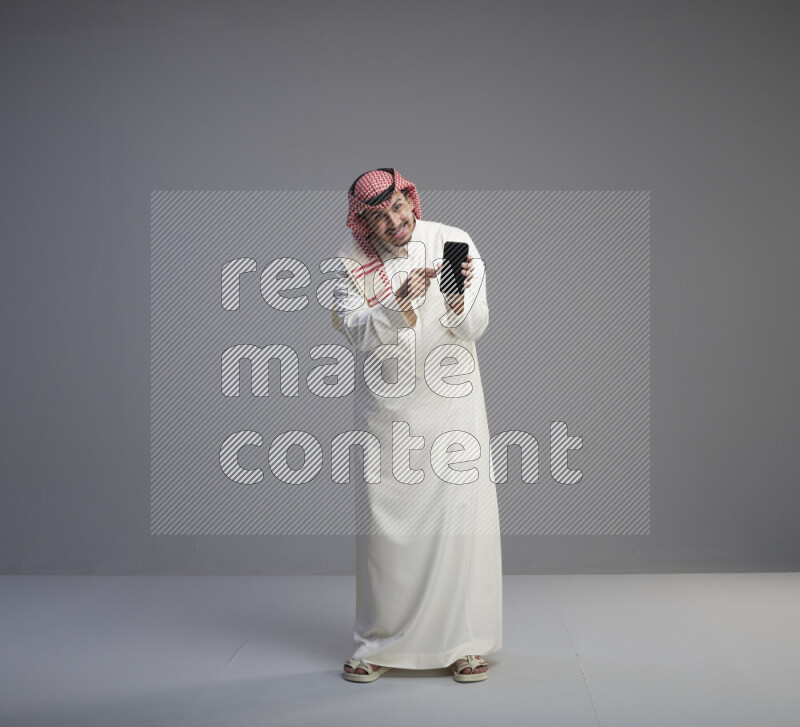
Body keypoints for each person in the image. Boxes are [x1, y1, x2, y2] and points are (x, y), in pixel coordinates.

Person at [331, 168, 502, 683]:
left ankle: (465, 643)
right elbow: (354, 333)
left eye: (398, 208)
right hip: (387, 416)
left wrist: (454, 299)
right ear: (364, 223)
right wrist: (397, 300)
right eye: (379, 217)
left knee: (457, 526)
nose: (394, 222)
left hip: (452, 409)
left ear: (410, 199)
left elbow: (475, 325)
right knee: (386, 533)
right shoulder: (350, 265)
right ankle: (378, 643)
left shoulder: (452, 241)